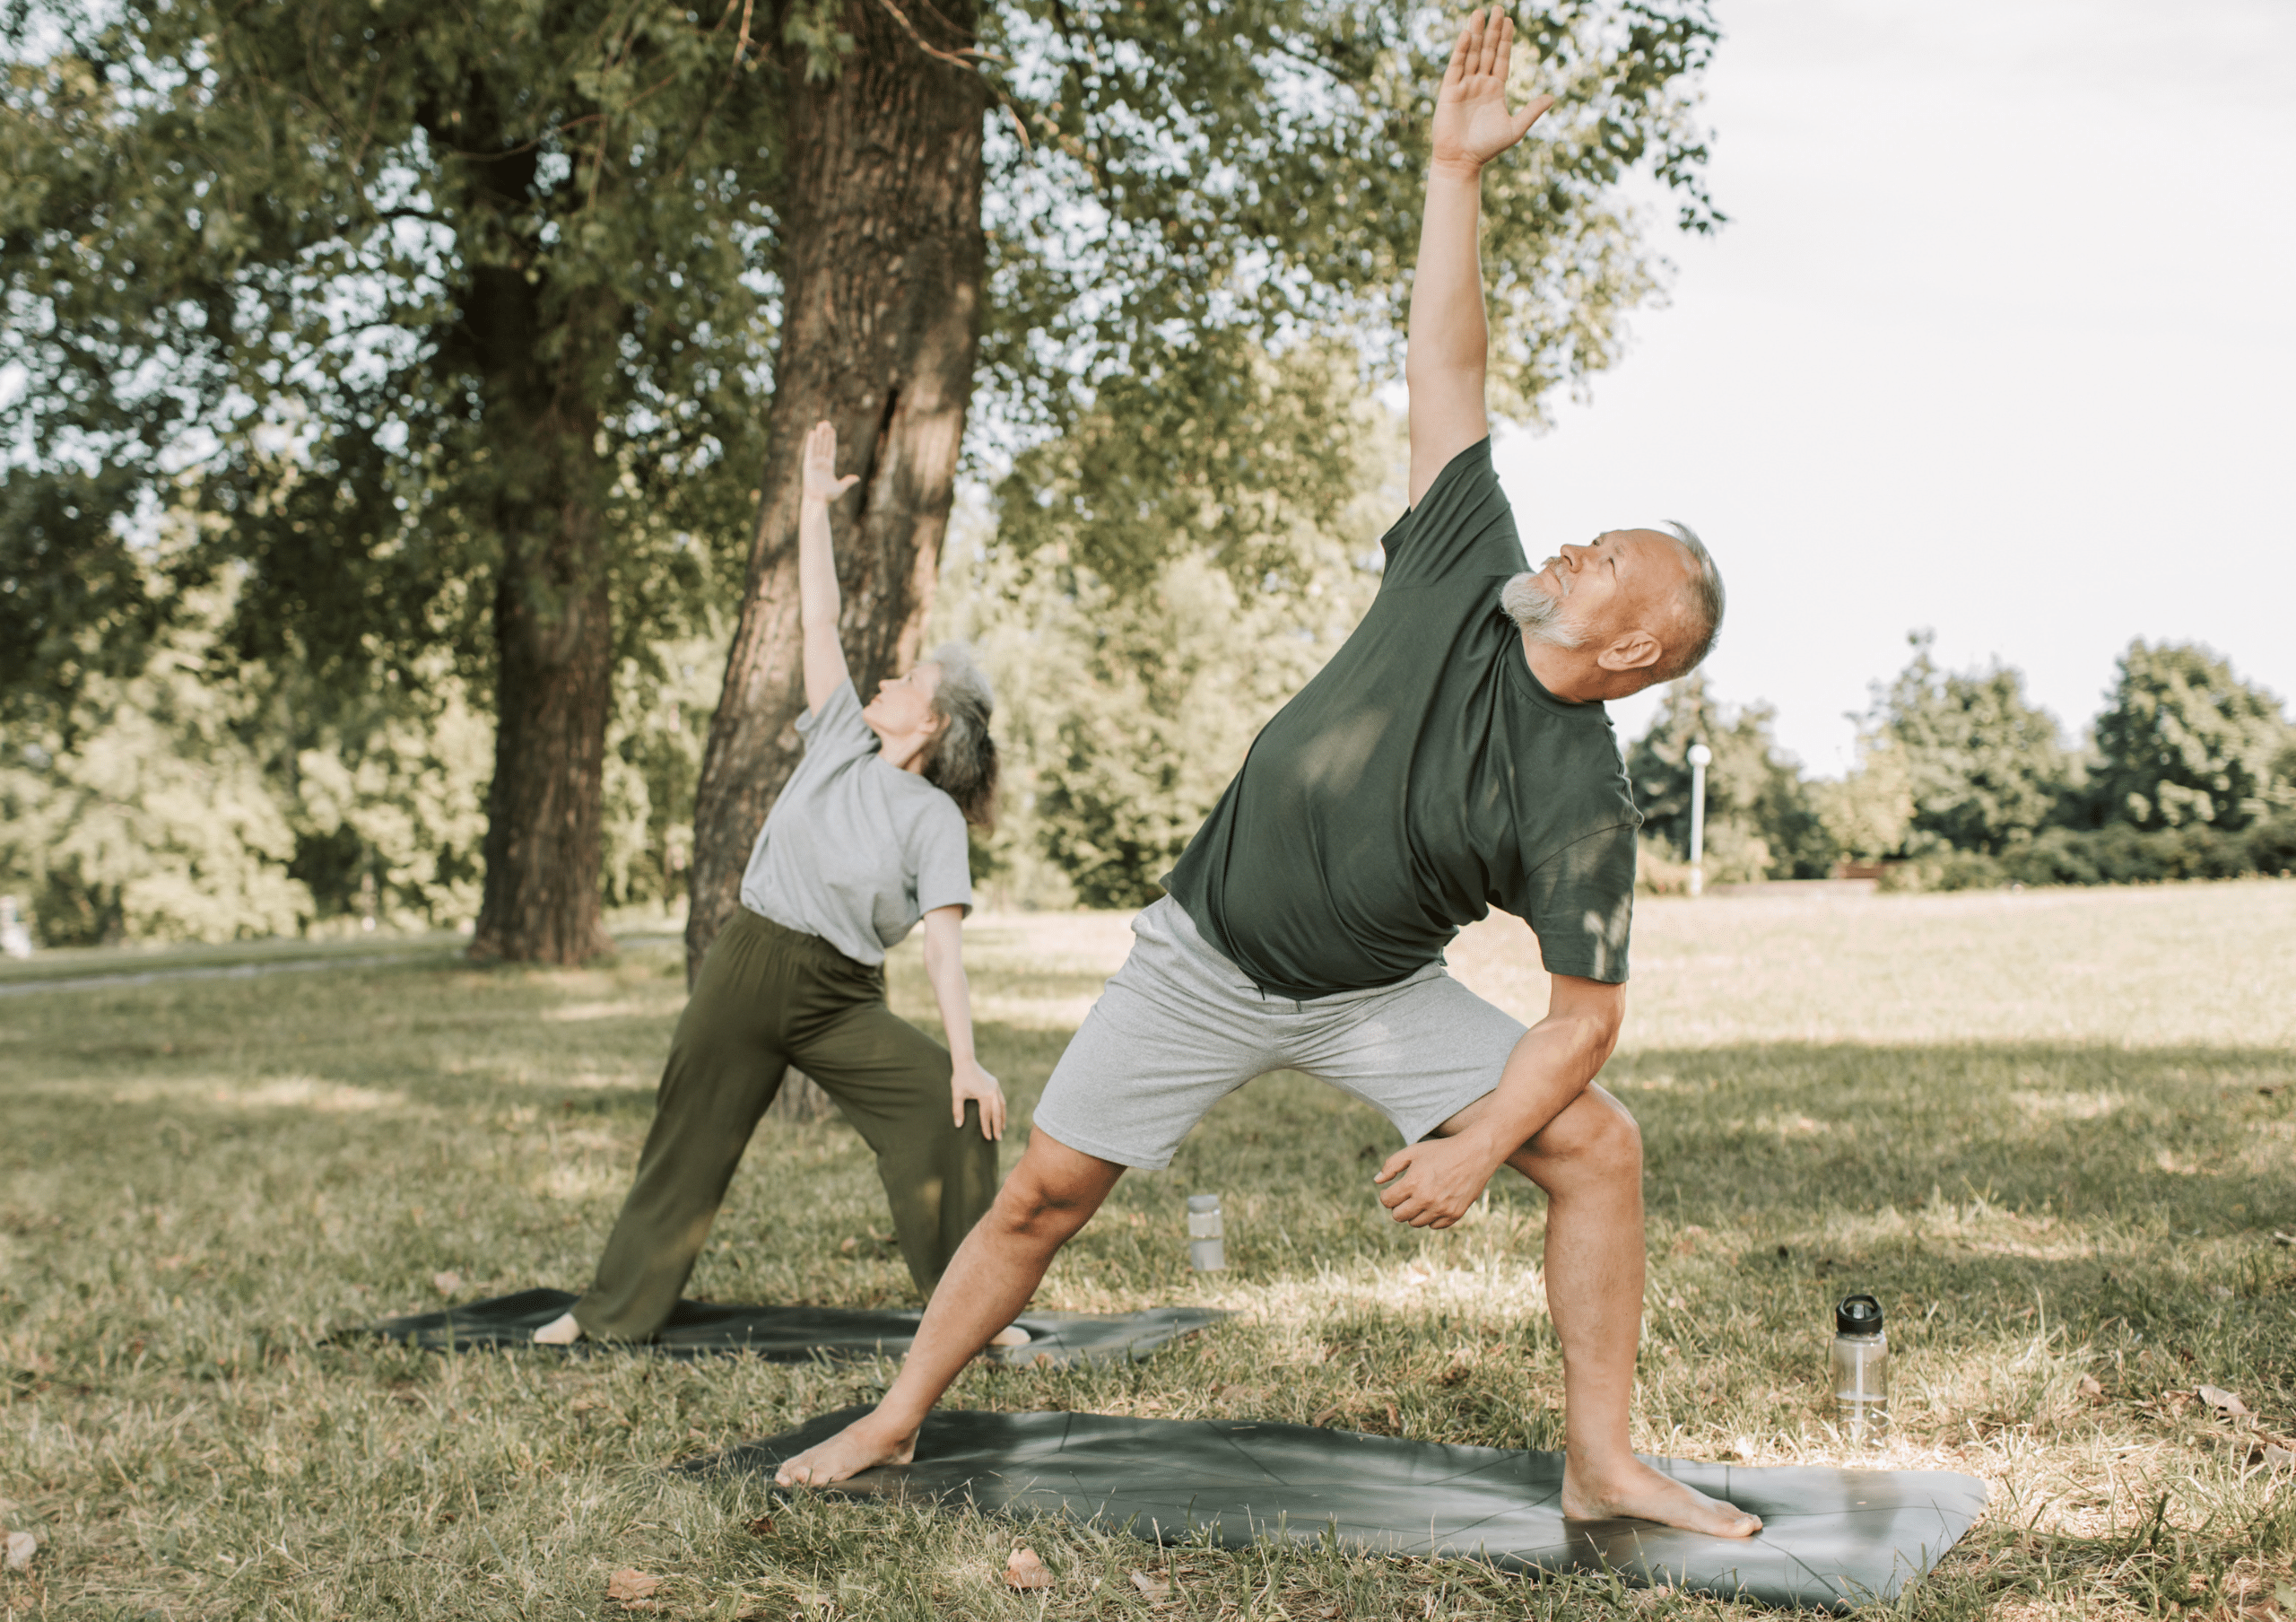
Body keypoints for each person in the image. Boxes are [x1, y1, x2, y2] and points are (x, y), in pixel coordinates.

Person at [775, 9, 1752, 1538]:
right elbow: (1449, 353)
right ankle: (896, 1418)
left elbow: (1585, 1019)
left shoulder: (1582, 796)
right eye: (1590, 529)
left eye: (1609, 556)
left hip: (1369, 992)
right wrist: (1453, 171)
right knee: (1041, 1196)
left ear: (1632, 649)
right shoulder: (1466, 559)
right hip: (1203, 954)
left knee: (1598, 1143)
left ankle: (1603, 1458)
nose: (1574, 542)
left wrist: (1479, 1140)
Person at [534, 420, 1020, 1347]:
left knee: (946, 1107)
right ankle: (608, 1313)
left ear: (930, 722)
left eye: (906, 677)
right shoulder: (839, 731)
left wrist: (965, 1056)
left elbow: (945, 952)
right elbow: (821, 617)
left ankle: (973, 1313)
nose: (884, 674)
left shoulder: (934, 821)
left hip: (839, 997)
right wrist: (809, 509)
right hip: (749, 965)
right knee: (687, 1137)